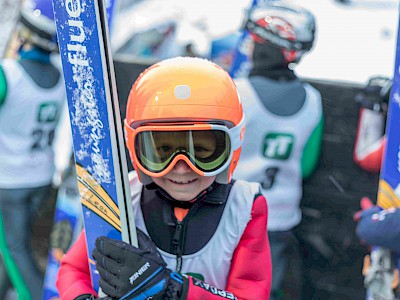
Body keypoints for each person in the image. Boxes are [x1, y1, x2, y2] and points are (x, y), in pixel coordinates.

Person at [56, 57, 272, 299]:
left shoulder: (244, 207)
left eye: (201, 152)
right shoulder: (122, 197)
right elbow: (74, 269)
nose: (181, 169)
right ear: (135, 148)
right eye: (162, 152)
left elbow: (251, 293)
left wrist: (174, 291)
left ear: (231, 145)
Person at [233, 2, 323, 299]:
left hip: (233, 211)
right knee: (264, 288)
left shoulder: (236, 92)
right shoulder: (313, 100)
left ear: (265, 47)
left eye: (254, 41)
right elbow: (307, 165)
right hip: (280, 217)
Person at [0, 0, 65, 299]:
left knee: (14, 250)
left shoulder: (7, 74)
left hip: (8, 182)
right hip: (40, 177)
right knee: (16, 243)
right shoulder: (60, 78)